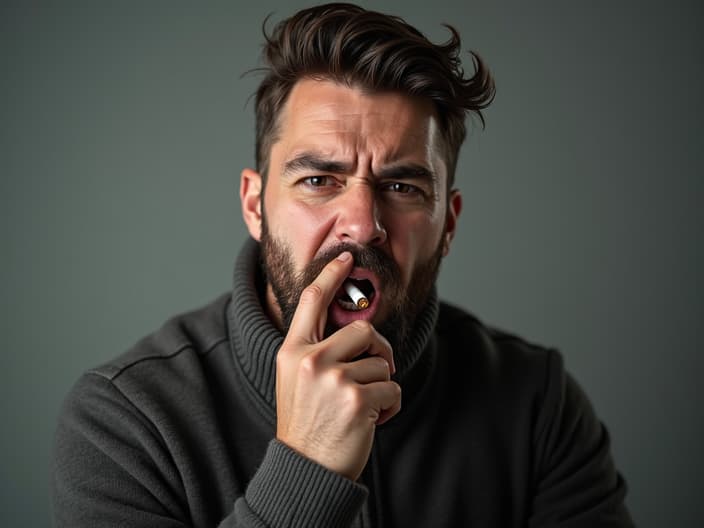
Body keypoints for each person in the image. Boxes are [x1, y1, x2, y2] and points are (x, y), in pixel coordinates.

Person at [51, 3, 634, 527]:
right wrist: (305, 471)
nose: (361, 223)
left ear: (448, 223)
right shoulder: (126, 422)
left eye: (402, 185)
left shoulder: (536, 403)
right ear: (255, 206)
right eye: (318, 180)